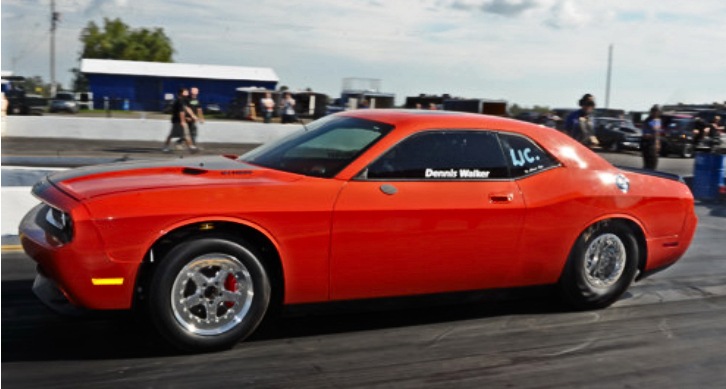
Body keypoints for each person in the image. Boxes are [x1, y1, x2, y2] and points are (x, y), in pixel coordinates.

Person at [163, 88, 197, 153]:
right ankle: (166, 147)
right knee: (172, 135)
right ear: (181, 93)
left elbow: (187, 108)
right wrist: (182, 121)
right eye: (186, 92)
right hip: (177, 120)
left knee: (186, 134)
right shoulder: (180, 100)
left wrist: (192, 115)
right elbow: (181, 112)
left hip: (180, 120)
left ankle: (191, 147)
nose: (187, 92)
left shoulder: (184, 100)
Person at [641, 105, 662, 170]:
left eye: (657, 112)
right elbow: (645, 135)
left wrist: (658, 144)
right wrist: (654, 135)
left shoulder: (658, 120)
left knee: (654, 163)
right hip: (647, 144)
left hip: (653, 144)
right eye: (654, 111)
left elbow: (658, 134)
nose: (656, 113)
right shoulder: (647, 121)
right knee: (648, 164)